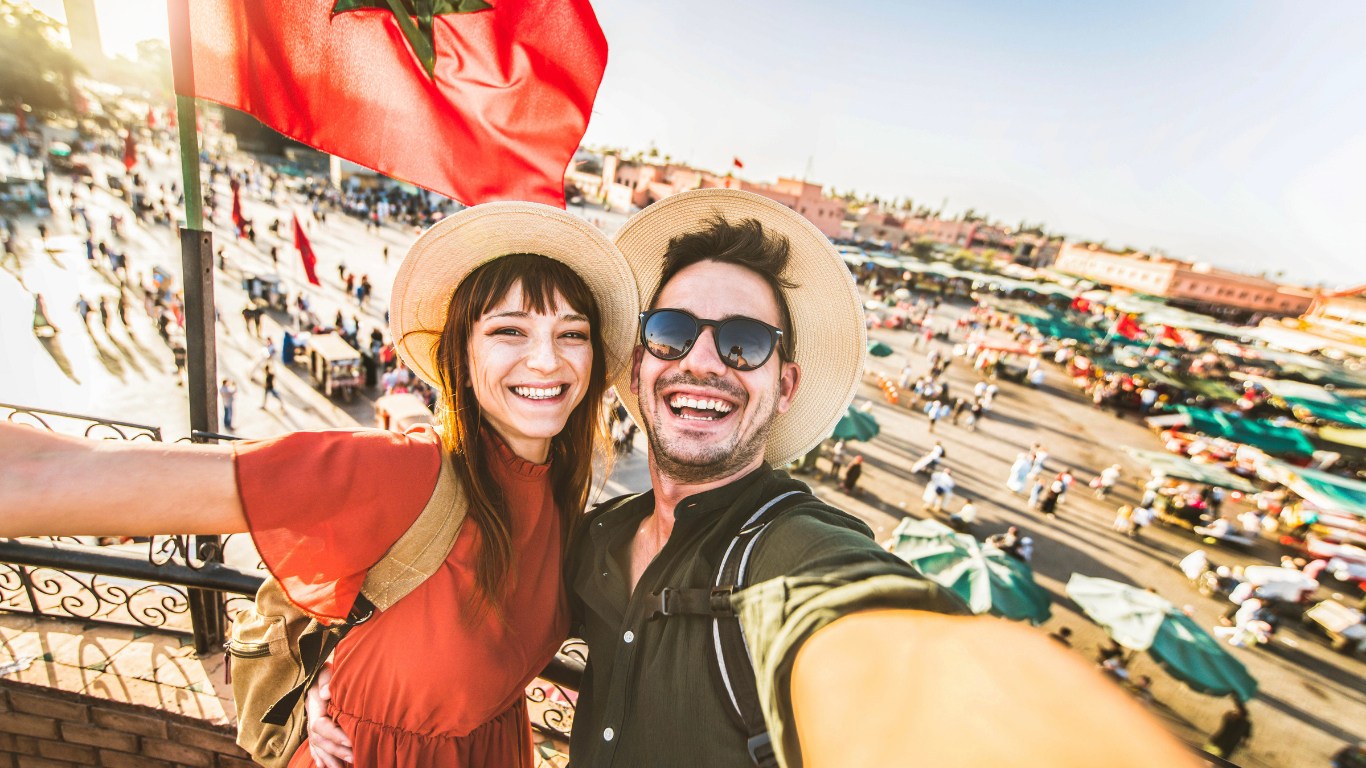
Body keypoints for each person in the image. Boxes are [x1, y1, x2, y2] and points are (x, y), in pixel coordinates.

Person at [313, 190, 1198, 768]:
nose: (703, 362)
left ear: (786, 384)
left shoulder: (795, 552)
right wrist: (341, 684)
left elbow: (874, 641)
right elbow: (470, 614)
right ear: (637, 365)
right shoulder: (596, 539)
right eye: (673, 332)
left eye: (742, 343)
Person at [1, 202, 640, 768]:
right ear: (461, 358)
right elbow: (59, 476)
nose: (547, 359)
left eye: (572, 334)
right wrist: (343, 691)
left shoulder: (563, 490)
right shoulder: (404, 471)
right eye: (510, 330)